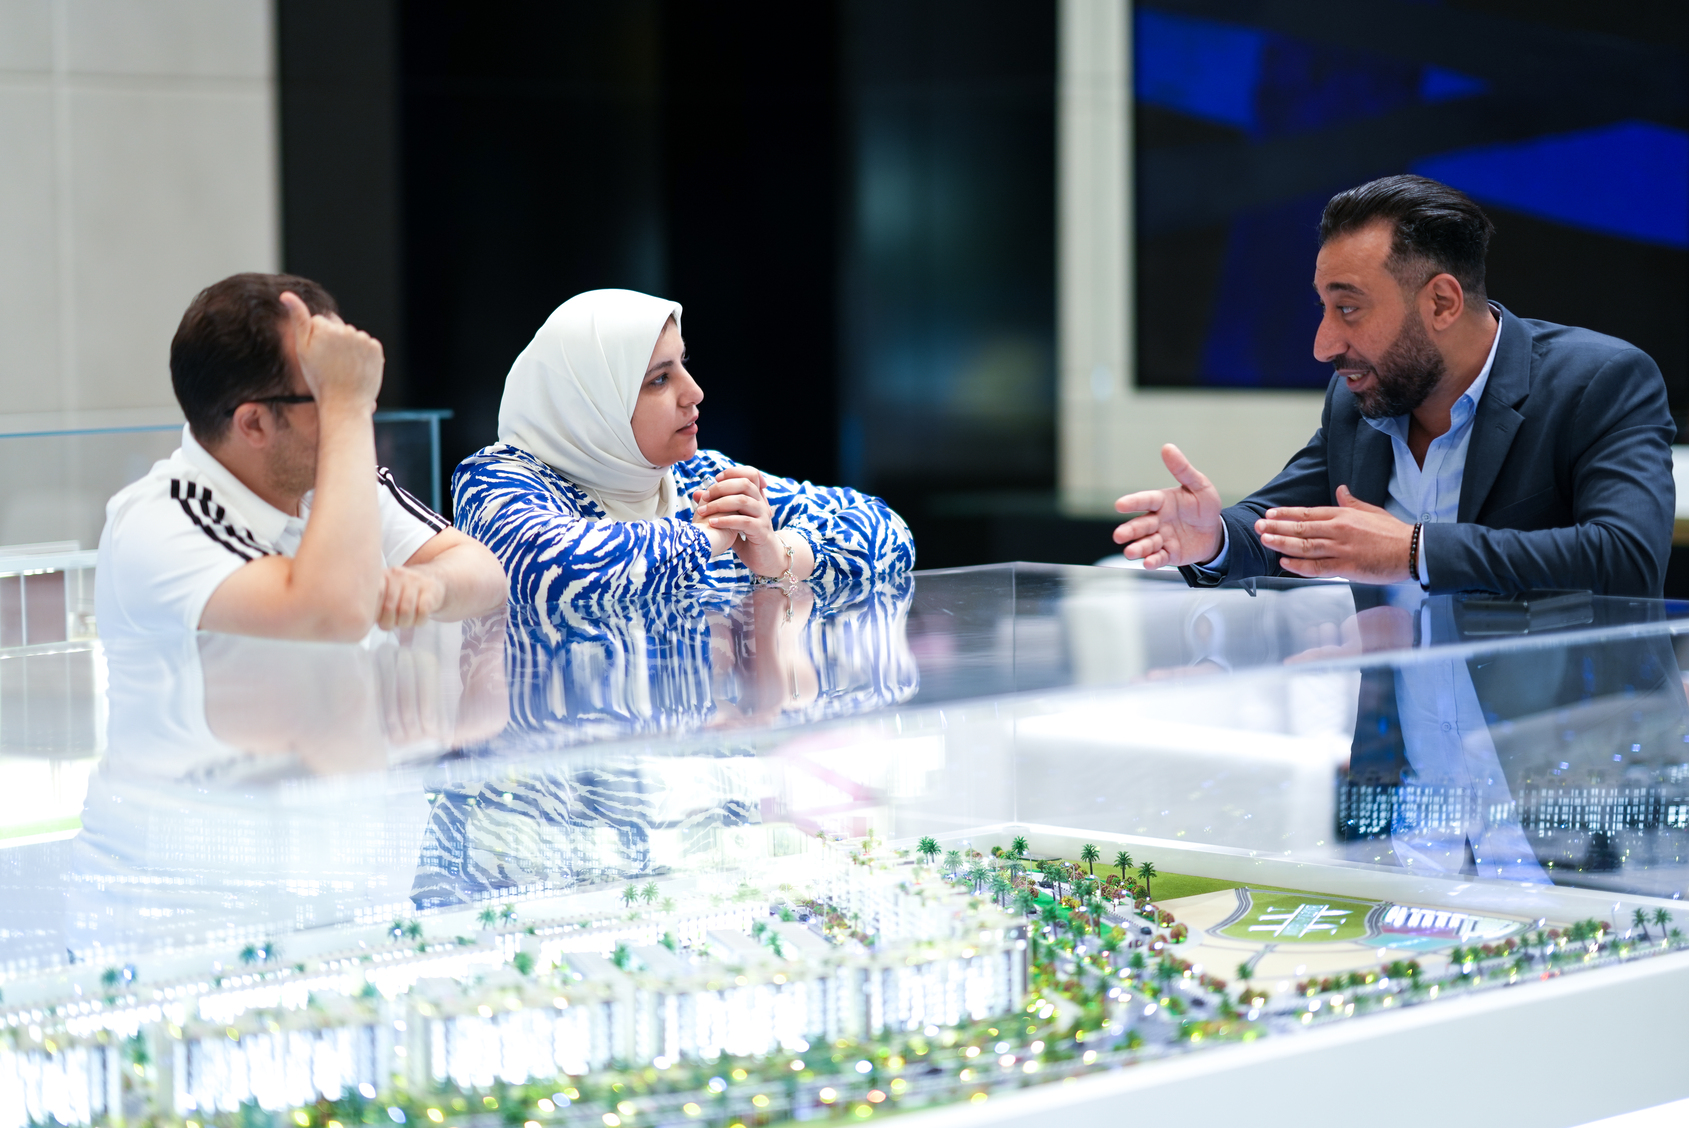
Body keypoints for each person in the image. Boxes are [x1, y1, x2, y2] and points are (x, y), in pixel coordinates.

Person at [1112, 175, 1674, 598]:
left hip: (1557, 722)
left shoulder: (1600, 381)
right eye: (1323, 307)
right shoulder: (1357, 399)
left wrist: (1413, 550)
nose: (1323, 345)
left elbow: (1627, 558)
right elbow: (1285, 526)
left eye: (1348, 308)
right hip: (1400, 725)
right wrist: (1212, 538)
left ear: (1442, 302)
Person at [97, 273, 508, 641]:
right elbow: (333, 616)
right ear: (254, 424)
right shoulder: (160, 520)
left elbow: (486, 572)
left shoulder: (325, 479)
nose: (365, 407)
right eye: (331, 388)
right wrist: (346, 404)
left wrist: (430, 584)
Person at [453, 288, 915, 605]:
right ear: (589, 401)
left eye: (683, 364)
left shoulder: (699, 477)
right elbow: (552, 568)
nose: (694, 392)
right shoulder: (495, 479)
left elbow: (887, 529)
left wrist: (781, 554)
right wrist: (707, 538)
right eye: (659, 379)